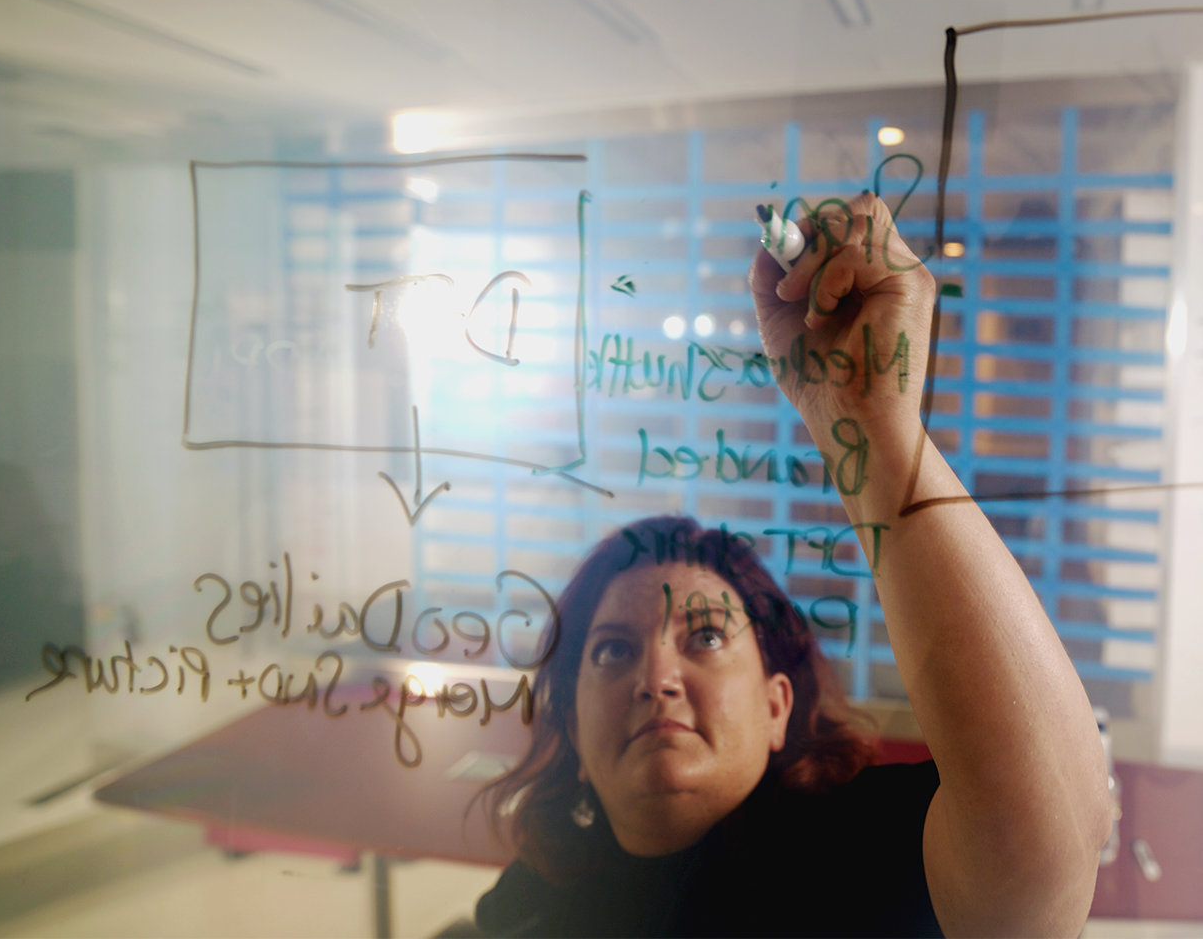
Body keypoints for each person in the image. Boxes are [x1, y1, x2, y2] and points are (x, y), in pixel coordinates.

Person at [473, 193, 1111, 938]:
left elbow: (1042, 851)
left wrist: (871, 425)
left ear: (777, 707)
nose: (656, 678)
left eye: (706, 637)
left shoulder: (859, 857)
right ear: (574, 728)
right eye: (612, 650)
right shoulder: (527, 902)